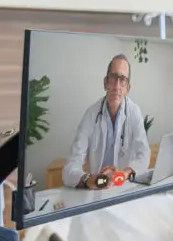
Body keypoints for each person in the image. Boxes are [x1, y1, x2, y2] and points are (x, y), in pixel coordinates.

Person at [62, 54, 151, 190]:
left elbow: (144, 154)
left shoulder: (134, 112)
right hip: (97, 189)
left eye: (122, 80)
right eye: (113, 77)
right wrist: (89, 179)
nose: (116, 86)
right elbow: (70, 167)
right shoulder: (91, 114)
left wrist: (124, 173)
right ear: (105, 83)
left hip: (123, 187)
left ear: (128, 88)